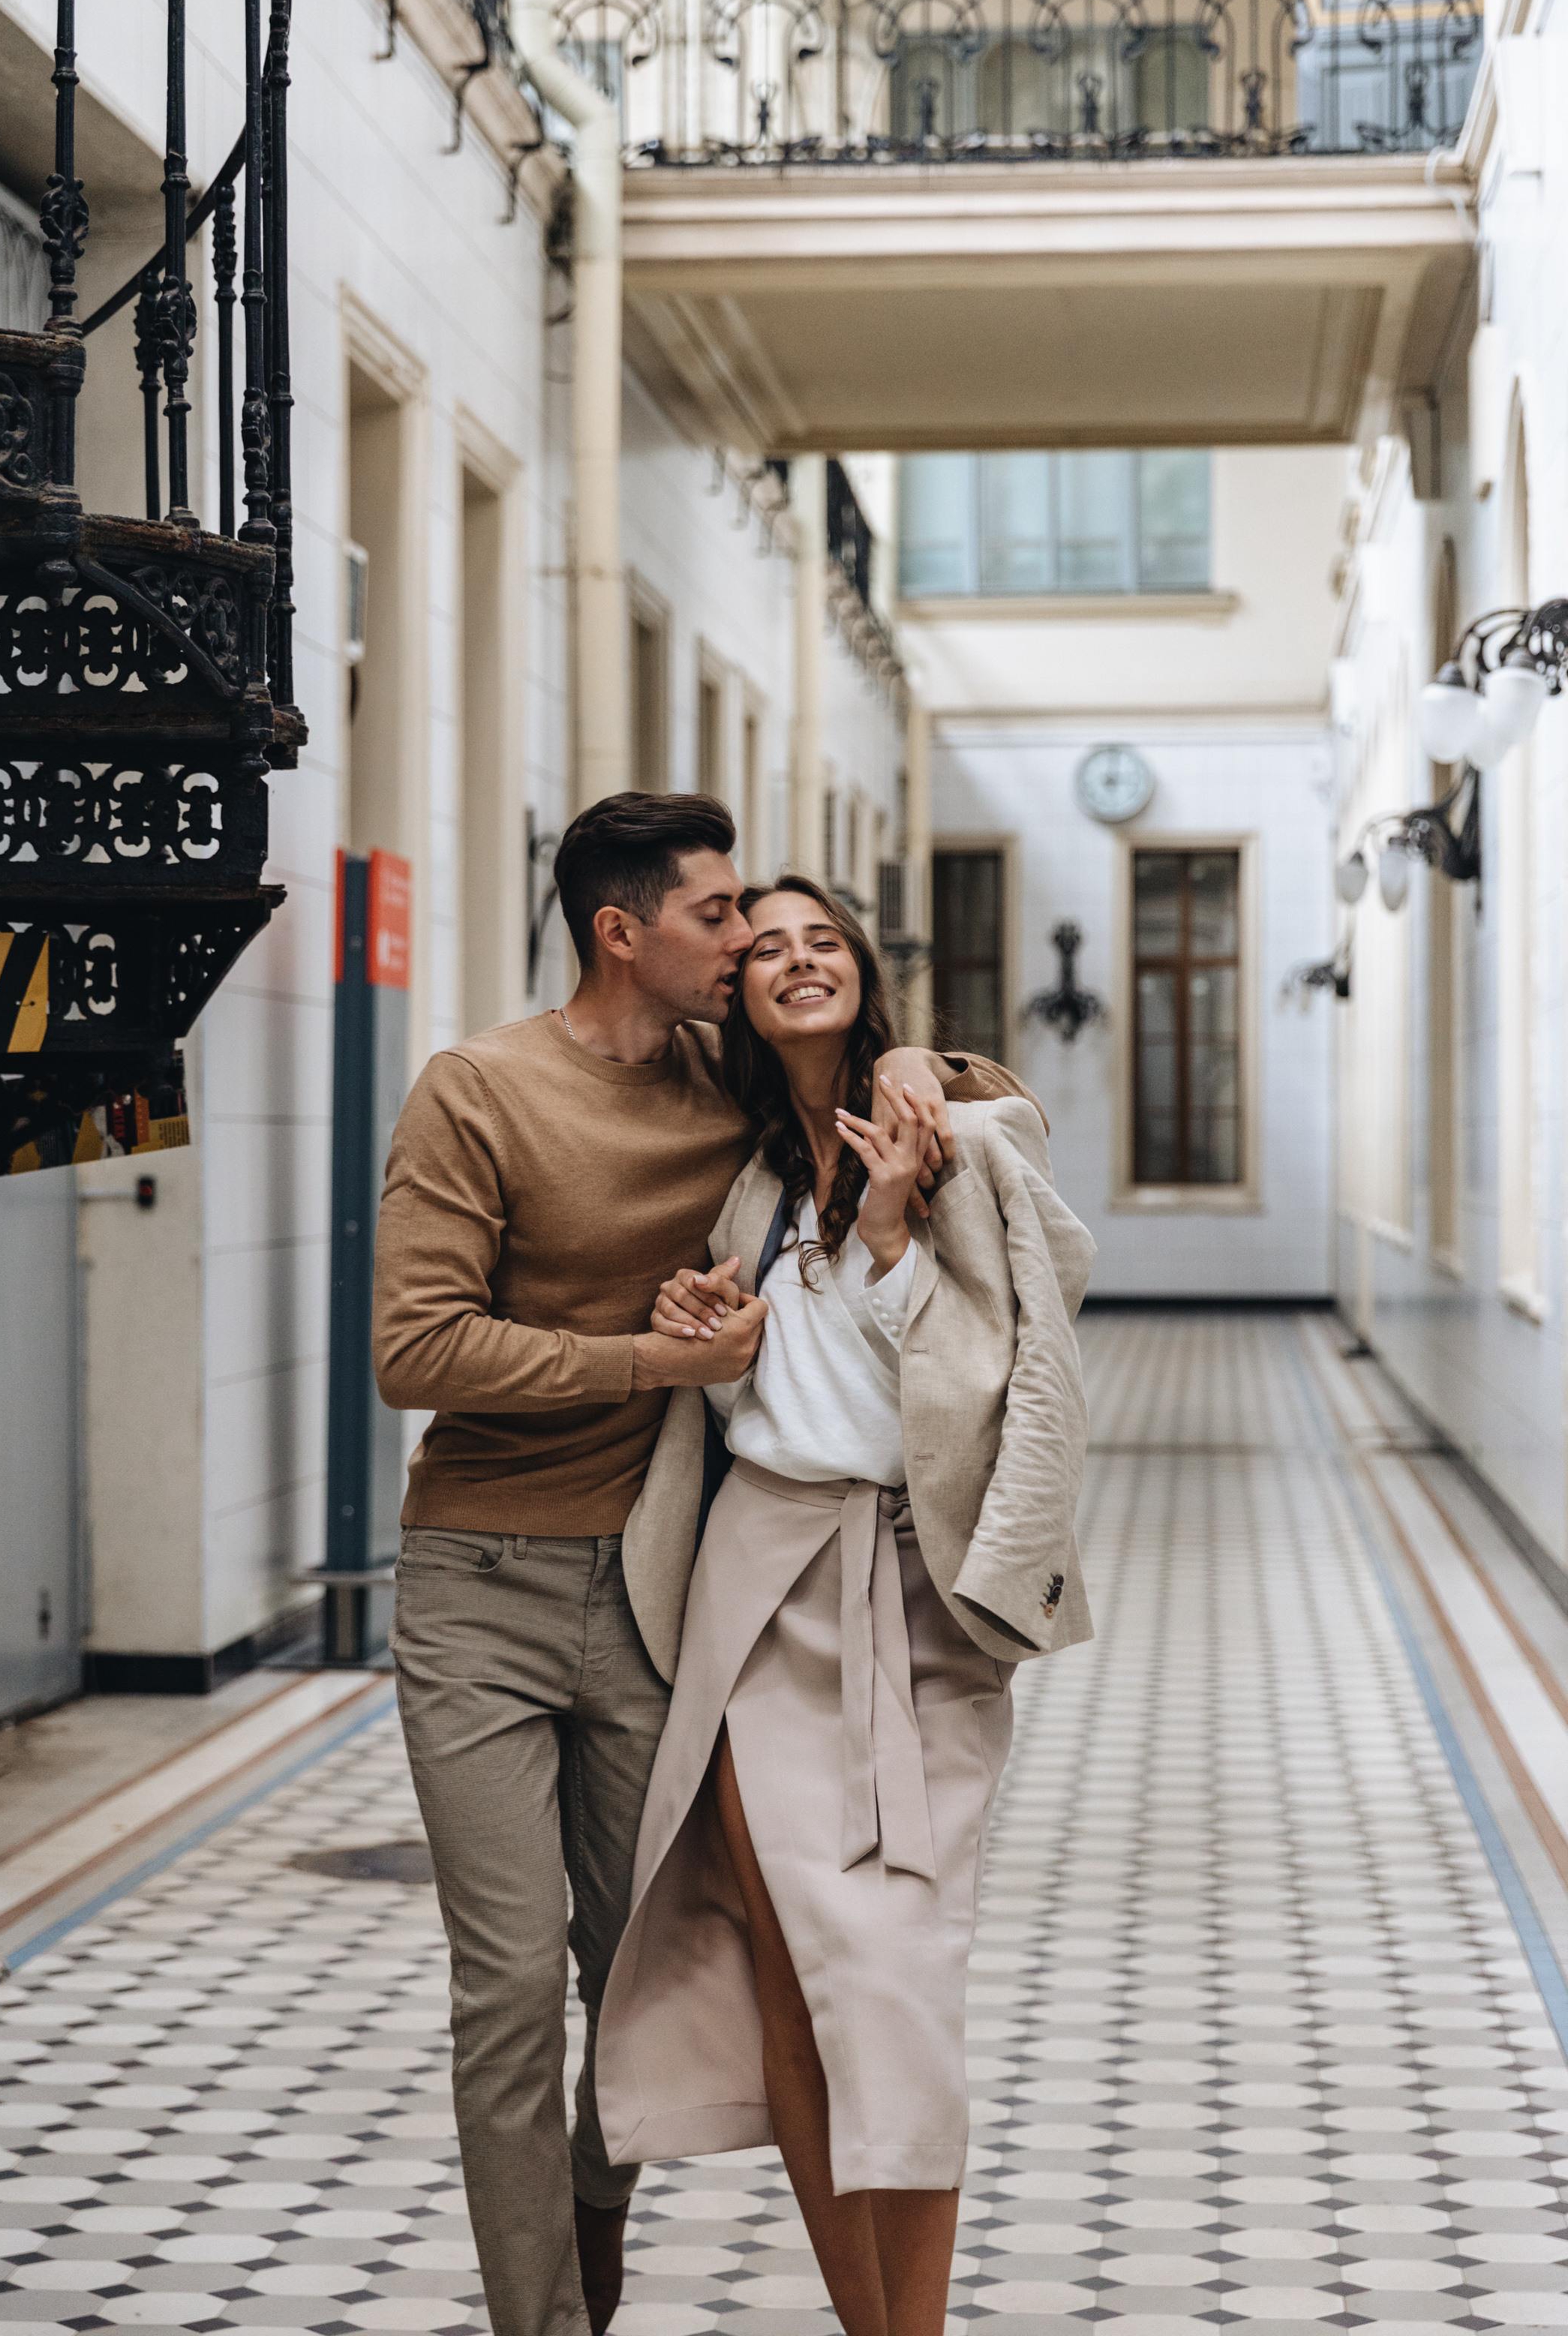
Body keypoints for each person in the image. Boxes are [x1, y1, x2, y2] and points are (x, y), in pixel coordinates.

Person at [371, 794, 1017, 2336]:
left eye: (763, 921)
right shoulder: (477, 1090)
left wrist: (923, 1061)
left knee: (649, 1972)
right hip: (480, 1583)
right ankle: (546, 2322)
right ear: (624, 933)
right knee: (509, 1993)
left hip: (665, 1595)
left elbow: (882, 1087)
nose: (746, 942)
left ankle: (595, 2222)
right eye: (722, 915)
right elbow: (412, 1348)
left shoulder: (725, 1088)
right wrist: (647, 1363)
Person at [595, 873, 1096, 2336]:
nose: (797, 962)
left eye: (824, 943)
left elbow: (1025, 1331)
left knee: (898, 1978)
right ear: (740, 993)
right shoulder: (747, 1183)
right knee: (792, 1987)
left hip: (912, 1599)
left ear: (865, 973)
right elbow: (762, 1385)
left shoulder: (965, 1136)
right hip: (757, 1585)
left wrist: (890, 1229)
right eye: (767, 950)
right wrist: (702, 1330)